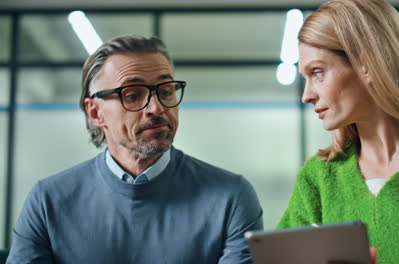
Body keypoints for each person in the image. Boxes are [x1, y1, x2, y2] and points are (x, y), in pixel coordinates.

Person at [7, 34, 263, 264]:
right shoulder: (48, 201)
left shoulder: (231, 197)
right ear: (96, 112)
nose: (156, 108)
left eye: (166, 91)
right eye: (132, 95)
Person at [277, 0, 399, 263]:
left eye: (318, 72)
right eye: (305, 78)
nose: (307, 95)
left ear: (366, 62)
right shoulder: (319, 177)